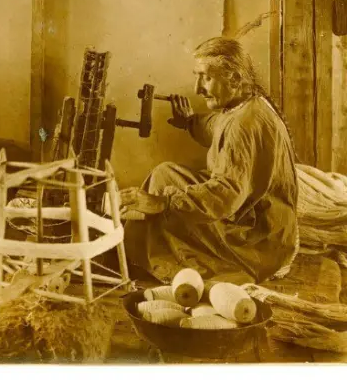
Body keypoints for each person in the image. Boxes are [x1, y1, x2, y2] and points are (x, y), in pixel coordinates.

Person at [120, 37, 299, 284]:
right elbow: (218, 127)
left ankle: (138, 261)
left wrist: (162, 202)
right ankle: (138, 251)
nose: (197, 88)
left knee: (164, 212)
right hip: (265, 220)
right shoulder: (247, 104)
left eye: (206, 77)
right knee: (164, 173)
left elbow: (226, 196)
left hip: (258, 239)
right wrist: (191, 122)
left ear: (235, 79)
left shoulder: (244, 125)